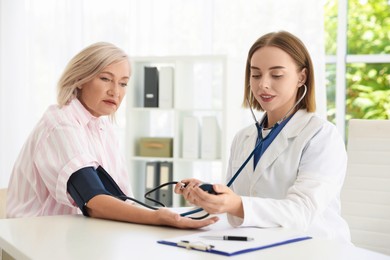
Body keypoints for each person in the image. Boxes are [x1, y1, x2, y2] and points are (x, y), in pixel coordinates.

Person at [6, 42, 218, 228]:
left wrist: (177, 210)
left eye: (123, 83)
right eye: (106, 79)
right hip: (35, 240)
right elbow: (93, 200)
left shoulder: (104, 129)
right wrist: (161, 218)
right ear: (80, 78)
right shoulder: (61, 124)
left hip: (79, 235)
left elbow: (121, 199)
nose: (115, 92)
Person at [175, 31, 351, 241]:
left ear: (301, 77)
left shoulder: (321, 136)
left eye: (276, 75)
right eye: (256, 74)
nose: (263, 84)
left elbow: (301, 211)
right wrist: (210, 196)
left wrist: (236, 204)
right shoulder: (244, 137)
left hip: (314, 248)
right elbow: (237, 208)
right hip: (259, 246)